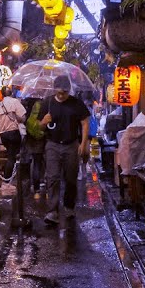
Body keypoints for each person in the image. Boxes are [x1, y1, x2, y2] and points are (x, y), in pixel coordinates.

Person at [41, 75, 90, 224]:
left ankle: (69, 206)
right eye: (59, 92)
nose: (61, 95)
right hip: (52, 144)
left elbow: (85, 123)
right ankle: (52, 211)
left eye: (64, 93)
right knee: (52, 178)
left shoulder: (76, 103)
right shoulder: (47, 102)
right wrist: (43, 122)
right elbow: (39, 127)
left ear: (69, 90)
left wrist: (83, 143)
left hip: (71, 145)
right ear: (54, 90)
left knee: (70, 178)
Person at [0, 86, 27, 173]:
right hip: (14, 133)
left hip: (3, 135)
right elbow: (23, 118)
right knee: (12, 156)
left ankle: (8, 174)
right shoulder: (15, 102)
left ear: (2, 94)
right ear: (11, 93)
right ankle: (8, 177)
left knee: (10, 154)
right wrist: (16, 118)